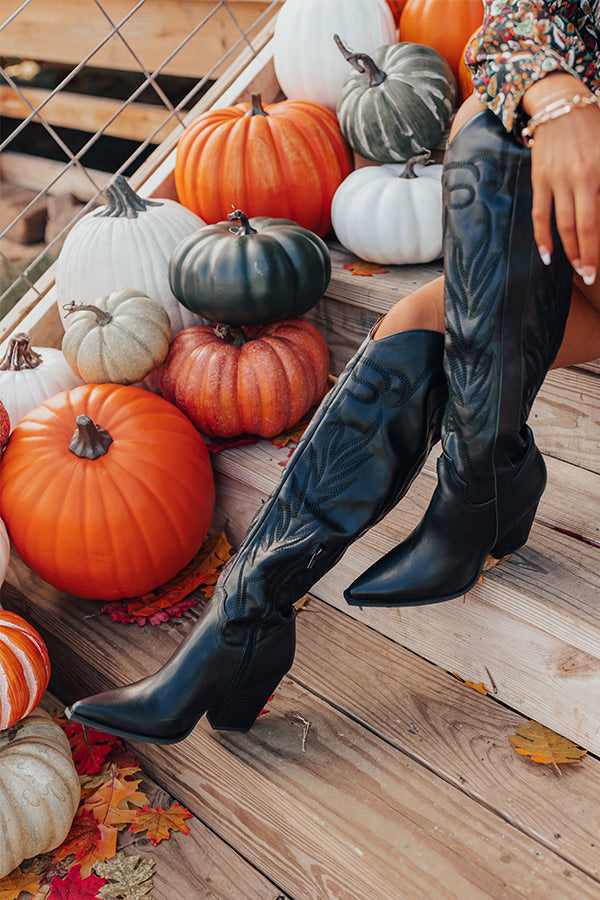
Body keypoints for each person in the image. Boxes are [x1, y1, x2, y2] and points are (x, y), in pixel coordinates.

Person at [65, 0, 600, 743]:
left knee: (491, 134)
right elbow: (511, 25)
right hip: (570, 220)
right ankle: (243, 619)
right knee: (485, 152)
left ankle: (485, 484)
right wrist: (561, 101)